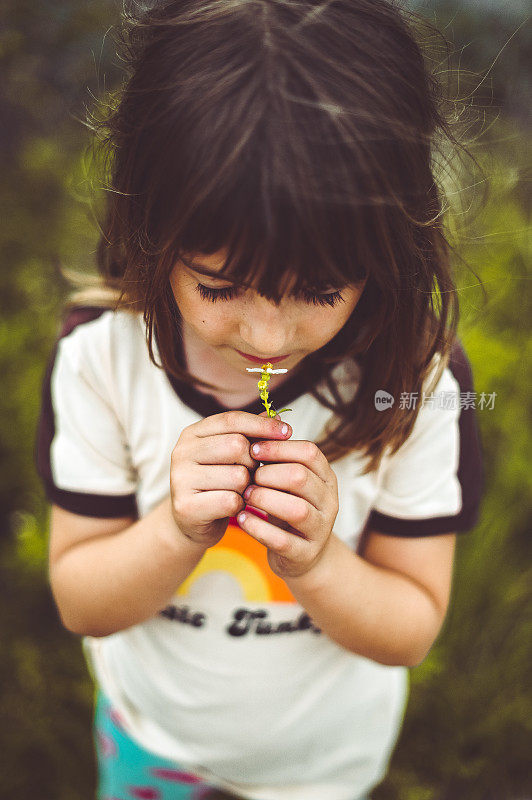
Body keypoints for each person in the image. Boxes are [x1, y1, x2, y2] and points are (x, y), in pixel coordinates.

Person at [35, 1, 485, 799]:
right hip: (155, 742)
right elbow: (81, 600)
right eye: (220, 285)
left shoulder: (412, 384)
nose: (269, 338)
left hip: (321, 767)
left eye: (318, 289)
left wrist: (315, 557)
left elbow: (411, 626)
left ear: (388, 253)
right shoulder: (101, 363)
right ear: (151, 231)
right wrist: (176, 529)